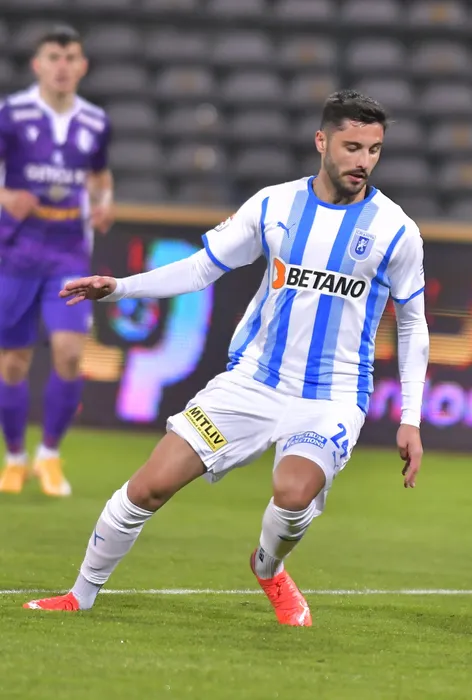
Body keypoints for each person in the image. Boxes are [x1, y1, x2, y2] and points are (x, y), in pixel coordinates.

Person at [23, 90, 430, 628]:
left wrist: (410, 417)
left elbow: (413, 324)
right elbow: (200, 269)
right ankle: (79, 595)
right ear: (321, 141)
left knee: (292, 493)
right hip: (252, 382)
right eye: (352, 147)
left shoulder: (396, 230)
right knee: (148, 486)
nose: (363, 161)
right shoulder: (274, 205)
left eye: (374, 150)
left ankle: (268, 567)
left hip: (331, 396)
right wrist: (119, 287)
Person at [0, 25, 114, 497]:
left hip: (68, 252)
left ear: (82, 66)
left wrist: (104, 202)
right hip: (17, 251)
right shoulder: (11, 114)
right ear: (38, 65)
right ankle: (14, 457)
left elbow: (100, 175)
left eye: (70, 58)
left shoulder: (95, 121)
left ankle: (49, 454)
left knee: (69, 353)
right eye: (54, 57)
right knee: (13, 362)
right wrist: (6, 198)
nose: (62, 66)